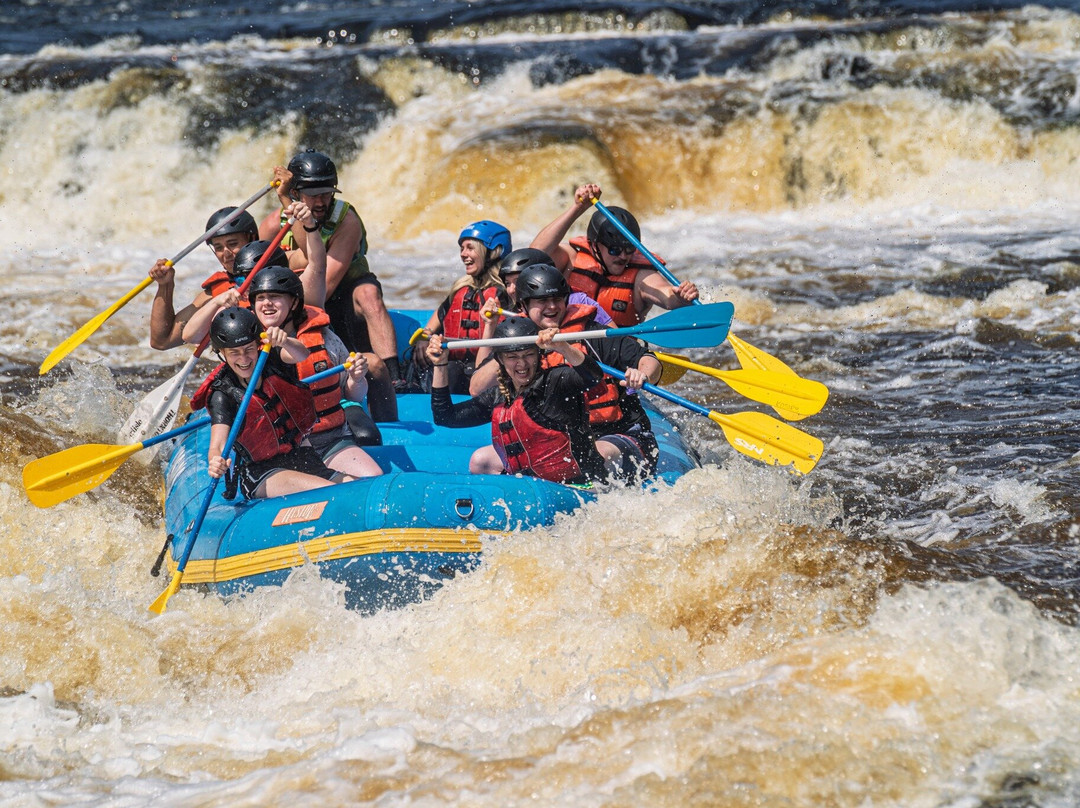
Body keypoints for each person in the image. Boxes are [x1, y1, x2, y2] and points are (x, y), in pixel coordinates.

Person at [261, 149, 402, 418]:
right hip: (292, 307)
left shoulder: (346, 221)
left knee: (368, 293)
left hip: (340, 294)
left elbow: (323, 286)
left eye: (327, 193)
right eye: (313, 195)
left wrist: (291, 257)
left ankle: (395, 376)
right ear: (296, 194)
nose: (322, 201)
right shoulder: (272, 226)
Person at [509, 263, 663, 478]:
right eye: (542, 301)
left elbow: (648, 359)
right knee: (483, 461)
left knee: (589, 454)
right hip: (559, 442)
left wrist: (643, 374)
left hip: (618, 435)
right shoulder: (518, 342)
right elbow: (478, 387)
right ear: (524, 306)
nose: (552, 307)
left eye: (557, 299)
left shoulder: (596, 335)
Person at [427, 318, 612, 485]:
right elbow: (446, 417)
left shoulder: (556, 382)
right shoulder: (499, 395)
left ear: (539, 355)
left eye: (528, 355)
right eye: (512, 357)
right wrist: (440, 364)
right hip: (529, 486)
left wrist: (563, 347)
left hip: (581, 485)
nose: (522, 364)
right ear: (500, 360)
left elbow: (593, 378)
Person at [190, 306, 351, 499]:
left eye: (249, 349)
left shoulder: (272, 360)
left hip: (303, 457)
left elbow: (302, 355)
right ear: (222, 354)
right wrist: (216, 460)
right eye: (234, 353)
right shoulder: (222, 394)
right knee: (334, 494)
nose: (243, 359)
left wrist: (284, 341)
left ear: (258, 345)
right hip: (262, 472)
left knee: (353, 487)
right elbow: (218, 444)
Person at [530, 182, 699, 327]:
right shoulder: (571, 259)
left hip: (614, 356)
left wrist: (681, 297)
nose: (623, 257)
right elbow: (535, 254)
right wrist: (578, 208)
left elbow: (667, 295)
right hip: (568, 346)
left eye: (629, 250)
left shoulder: (641, 276)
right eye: (614, 250)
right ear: (594, 245)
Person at [467, 247, 612, 396]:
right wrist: (490, 325)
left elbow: (612, 339)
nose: (511, 290)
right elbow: (478, 383)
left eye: (517, 281)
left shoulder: (578, 303)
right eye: (507, 283)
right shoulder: (519, 320)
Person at [411, 221, 513, 394]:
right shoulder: (462, 288)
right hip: (456, 366)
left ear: (493, 252)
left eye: (470, 248)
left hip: (488, 371)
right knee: (446, 370)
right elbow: (443, 312)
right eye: (462, 248)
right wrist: (425, 335)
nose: (463, 254)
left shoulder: (507, 292)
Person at [148, 206, 259, 350]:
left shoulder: (280, 266)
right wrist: (165, 286)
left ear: (251, 239)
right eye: (218, 247)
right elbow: (161, 341)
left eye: (232, 244)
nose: (225, 253)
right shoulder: (215, 293)